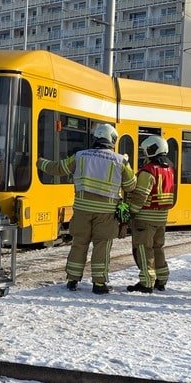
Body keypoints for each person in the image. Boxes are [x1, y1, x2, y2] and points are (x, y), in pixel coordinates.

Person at [37, 123, 136, 294]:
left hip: (82, 210)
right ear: (112, 140)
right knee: (101, 246)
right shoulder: (120, 161)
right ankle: (99, 284)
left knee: (79, 244)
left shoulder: (80, 156)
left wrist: (40, 162)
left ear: (96, 138)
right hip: (106, 213)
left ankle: (72, 280)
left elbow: (58, 168)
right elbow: (130, 186)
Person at [125, 135, 175, 294]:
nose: (144, 154)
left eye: (146, 151)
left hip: (145, 218)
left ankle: (146, 282)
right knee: (158, 248)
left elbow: (140, 196)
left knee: (144, 249)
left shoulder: (148, 171)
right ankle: (161, 279)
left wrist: (131, 213)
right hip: (161, 217)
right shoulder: (168, 169)